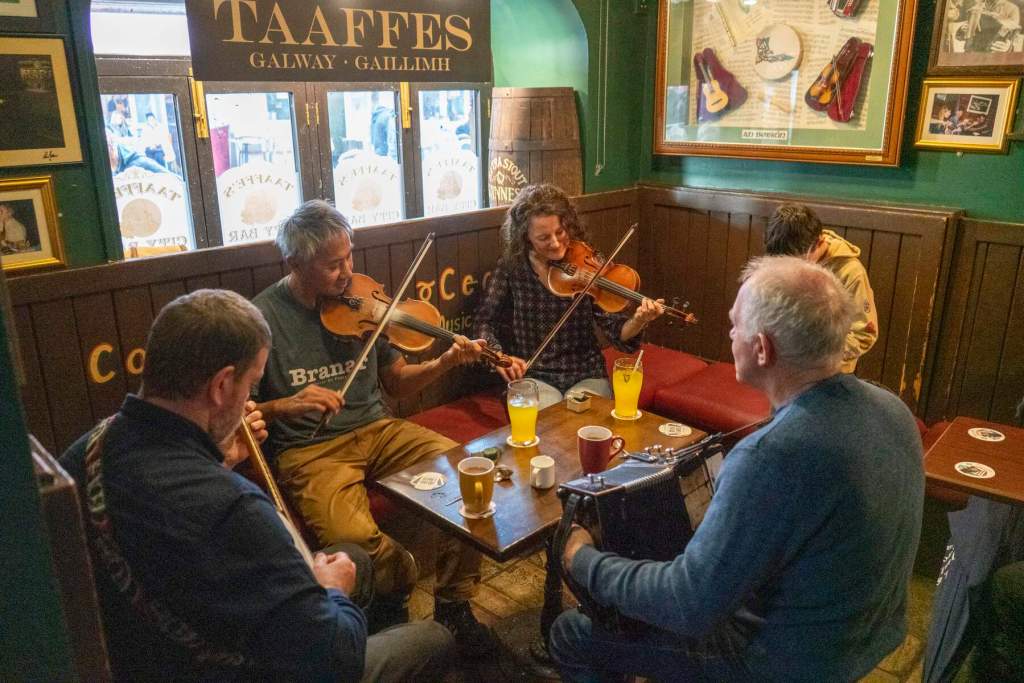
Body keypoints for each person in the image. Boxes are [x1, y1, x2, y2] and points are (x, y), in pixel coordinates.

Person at [550, 256, 925, 681]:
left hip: (780, 663)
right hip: (866, 637)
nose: (731, 334)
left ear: (762, 348)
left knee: (571, 632)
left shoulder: (770, 455)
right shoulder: (893, 409)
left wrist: (582, 559)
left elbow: (688, 605)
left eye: (735, 324)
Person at [59, 289, 453, 681]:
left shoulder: (83, 453)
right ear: (221, 386)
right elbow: (333, 659)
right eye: (250, 385)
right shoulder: (234, 507)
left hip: (139, 653)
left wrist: (220, 461)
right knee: (433, 639)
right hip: (241, 668)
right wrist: (331, 592)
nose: (250, 401)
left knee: (356, 559)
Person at [252, 199, 494, 651]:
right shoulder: (261, 318)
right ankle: (397, 587)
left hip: (380, 430)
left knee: (470, 478)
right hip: (310, 451)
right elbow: (241, 414)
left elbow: (397, 383)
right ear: (294, 263)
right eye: (332, 265)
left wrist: (444, 361)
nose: (347, 273)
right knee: (352, 541)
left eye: (349, 257)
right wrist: (284, 405)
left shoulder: (362, 301)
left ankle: (454, 606)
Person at [473, 183, 665, 408]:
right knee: (550, 423)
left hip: (586, 372)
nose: (555, 243)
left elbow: (617, 332)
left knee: (582, 420)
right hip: (536, 375)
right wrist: (498, 357)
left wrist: (639, 320)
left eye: (560, 232)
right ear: (525, 237)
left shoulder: (585, 263)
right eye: (543, 237)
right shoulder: (511, 268)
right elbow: (484, 321)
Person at [764, 203, 878, 373]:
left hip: (829, 373)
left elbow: (864, 334)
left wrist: (813, 355)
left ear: (820, 243)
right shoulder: (782, 253)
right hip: (786, 368)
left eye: (797, 261)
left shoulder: (851, 272)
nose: (789, 268)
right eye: (783, 263)